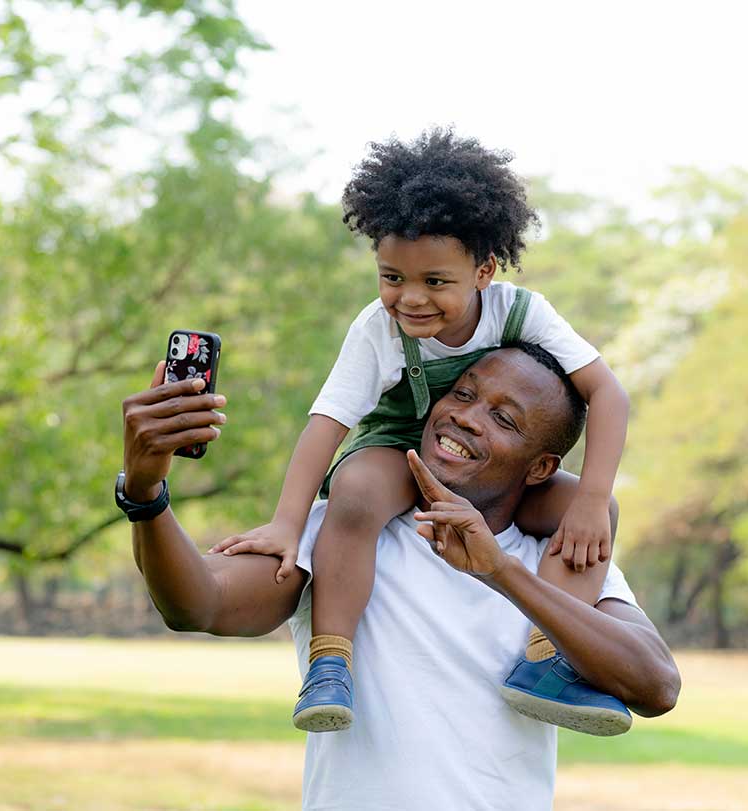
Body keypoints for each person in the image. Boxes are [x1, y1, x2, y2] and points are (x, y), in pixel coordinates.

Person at [120, 344, 680, 811]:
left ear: (540, 468)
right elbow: (199, 604)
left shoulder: (557, 560)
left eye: (503, 419)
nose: (466, 415)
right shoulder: (348, 532)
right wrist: (145, 494)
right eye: (463, 393)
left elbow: (656, 685)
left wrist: (502, 572)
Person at [209, 129, 632, 734]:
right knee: (355, 492)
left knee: (594, 512)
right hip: (399, 446)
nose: (409, 299)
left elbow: (607, 392)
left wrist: (590, 499)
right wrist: (285, 521)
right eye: (391, 277)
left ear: (484, 270)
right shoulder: (376, 331)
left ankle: (549, 658)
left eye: (435, 282)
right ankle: (330, 661)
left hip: (483, 460)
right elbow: (327, 422)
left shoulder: (522, 312)